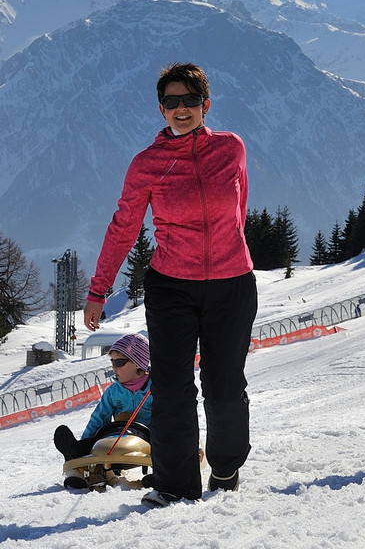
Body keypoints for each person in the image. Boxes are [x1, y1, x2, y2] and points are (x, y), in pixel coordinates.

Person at [83, 62, 258, 507]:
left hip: (231, 284)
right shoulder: (146, 164)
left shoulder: (232, 149)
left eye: (190, 101)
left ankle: (225, 465)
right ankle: (176, 485)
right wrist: (98, 290)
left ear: (206, 104)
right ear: (160, 109)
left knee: (224, 385)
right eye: (171, 102)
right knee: (174, 387)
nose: (181, 109)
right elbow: (123, 227)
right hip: (171, 286)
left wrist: (228, 252)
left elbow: (239, 210)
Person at [54, 333, 153, 489]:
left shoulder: (155, 388)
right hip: (117, 436)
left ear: (138, 363)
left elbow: (173, 418)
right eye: (112, 362)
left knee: (164, 441)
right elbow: (99, 418)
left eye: (119, 362)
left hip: (148, 436)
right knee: (97, 439)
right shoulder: (114, 392)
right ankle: (78, 462)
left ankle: (162, 474)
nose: (114, 367)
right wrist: (87, 444)